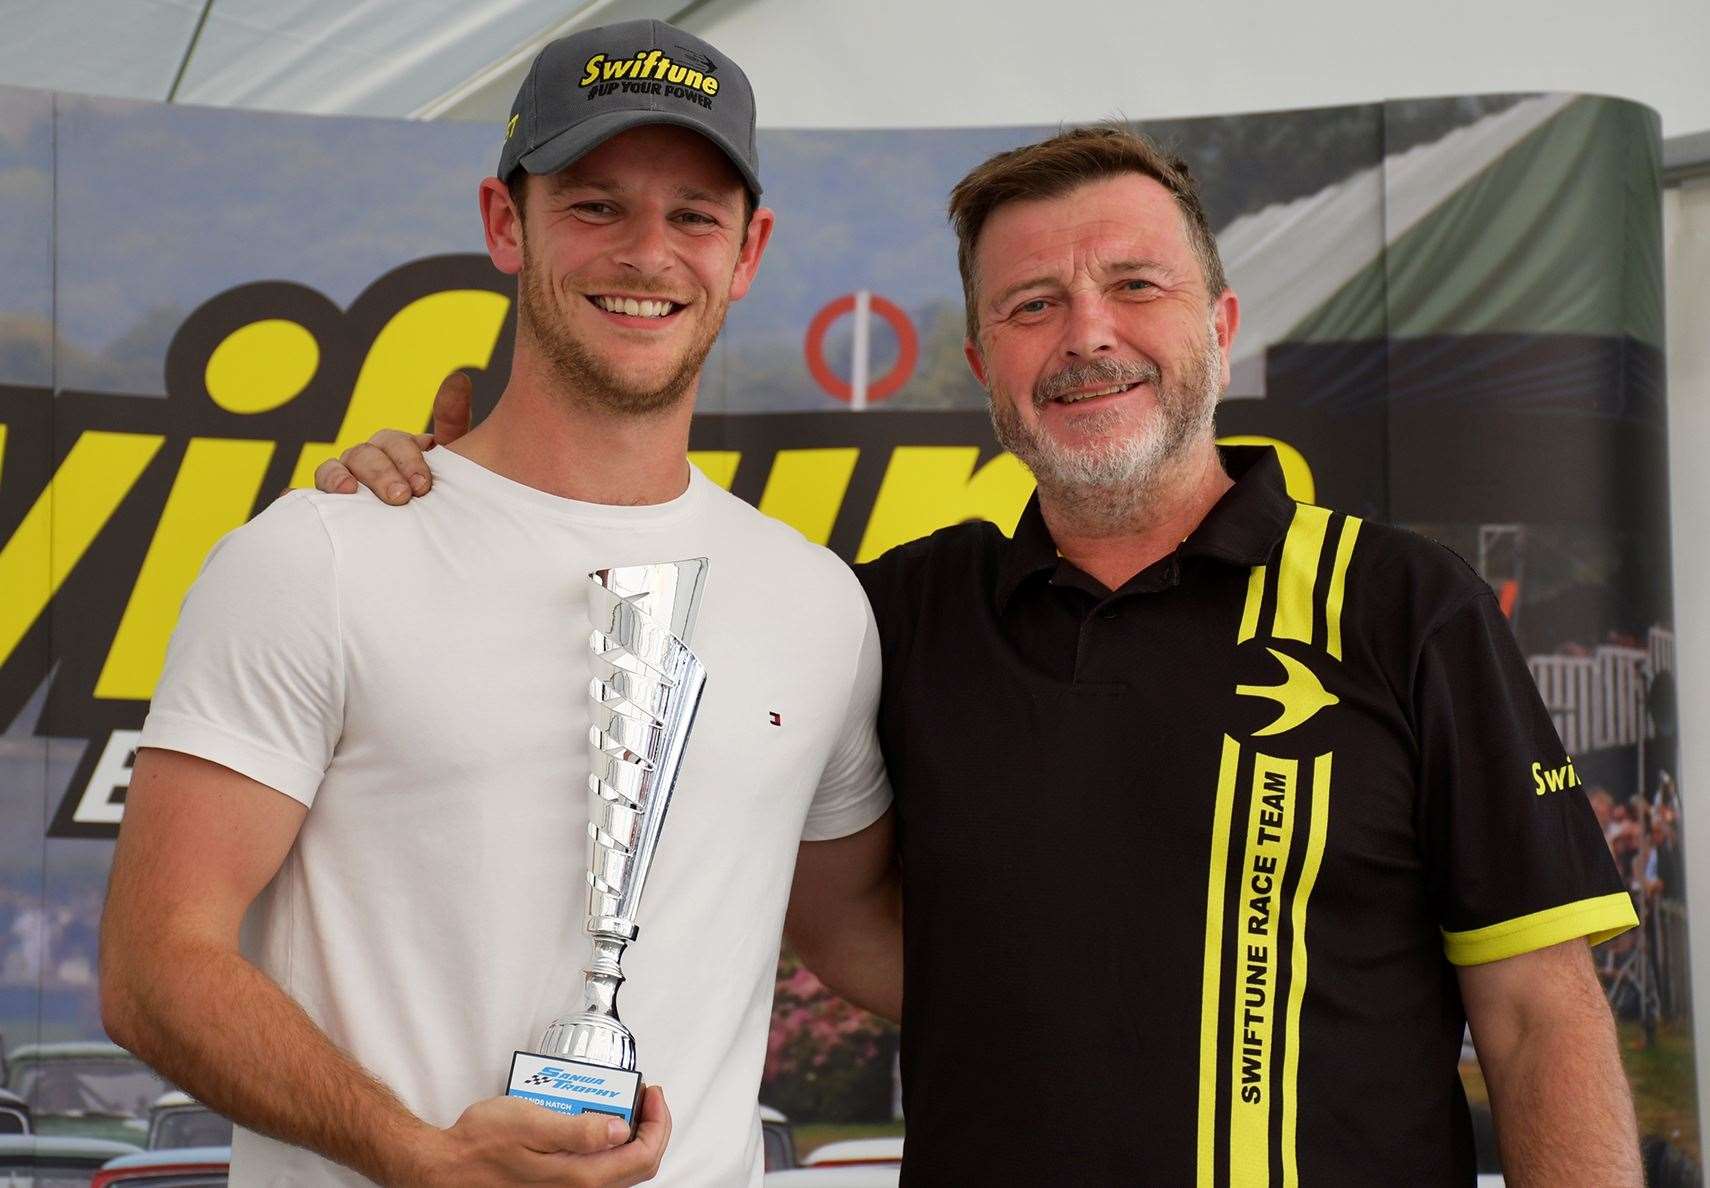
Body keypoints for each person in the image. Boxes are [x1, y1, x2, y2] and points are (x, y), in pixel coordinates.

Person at [320, 125, 1643, 1184]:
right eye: (1031, 304)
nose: (1086, 335)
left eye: (1135, 285)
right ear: (977, 363)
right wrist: (457, 499)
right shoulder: (883, 617)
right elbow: (636, 663)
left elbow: (1538, 1013)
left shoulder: (1404, 605)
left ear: (1221, 327)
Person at [99, 20, 897, 1188]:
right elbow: (153, 964)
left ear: (749, 249)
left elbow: (852, 927)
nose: (647, 253)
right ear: (502, 222)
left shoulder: (817, 603)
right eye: (593, 205)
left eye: (693, 215)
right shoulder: (317, 558)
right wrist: (414, 1155)